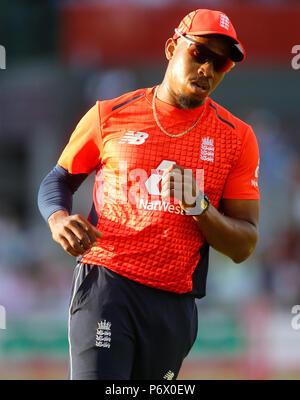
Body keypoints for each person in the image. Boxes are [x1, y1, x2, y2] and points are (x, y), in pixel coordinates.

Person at [38, 9, 260, 380]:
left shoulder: (236, 137)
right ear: (173, 47)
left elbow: (244, 245)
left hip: (173, 303)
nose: (207, 68)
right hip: (107, 284)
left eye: (220, 62)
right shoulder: (110, 115)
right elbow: (57, 181)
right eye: (200, 53)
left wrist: (199, 206)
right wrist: (58, 218)